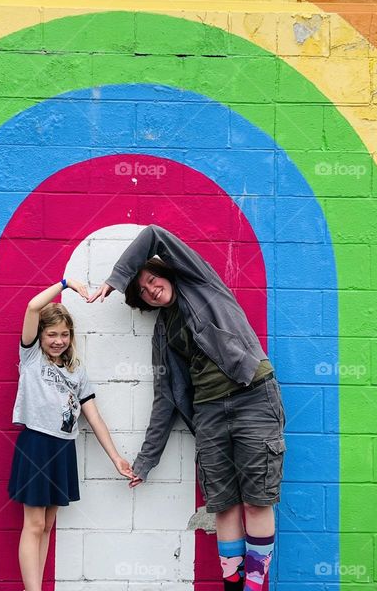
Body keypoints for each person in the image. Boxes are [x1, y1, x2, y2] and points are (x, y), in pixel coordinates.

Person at [89, 225, 285, 591]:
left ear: (163, 272)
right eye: (143, 292)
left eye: (151, 279)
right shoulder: (163, 333)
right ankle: (233, 583)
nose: (150, 289)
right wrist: (145, 463)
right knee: (223, 505)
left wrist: (116, 280)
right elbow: (165, 399)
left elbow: (153, 234)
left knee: (257, 502)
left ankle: (255, 586)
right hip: (209, 414)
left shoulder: (199, 280)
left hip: (253, 397)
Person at [10, 277, 134, 591]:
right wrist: (66, 284)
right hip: (37, 444)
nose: (58, 340)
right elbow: (32, 306)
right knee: (34, 523)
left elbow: (94, 418)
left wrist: (116, 457)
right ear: (40, 335)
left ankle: (33, 587)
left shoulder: (76, 370)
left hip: (62, 449)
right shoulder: (31, 357)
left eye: (64, 334)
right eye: (51, 334)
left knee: (48, 525)